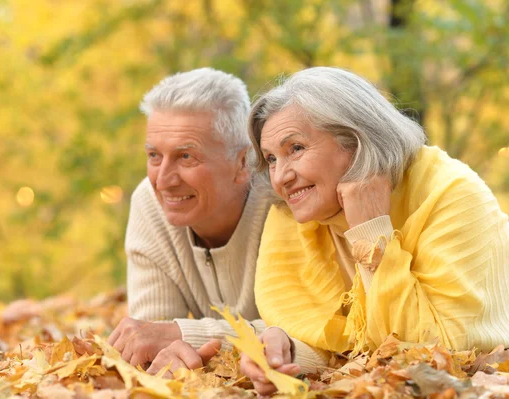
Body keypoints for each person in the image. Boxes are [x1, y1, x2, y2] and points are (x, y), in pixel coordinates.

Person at [239, 67, 509, 395]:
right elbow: (340, 346)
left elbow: (436, 354)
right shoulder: (294, 212)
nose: (280, 177)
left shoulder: (452, 192)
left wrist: (371, 233)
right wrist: (286, 353)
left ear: (355, 141)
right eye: (271, 159)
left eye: (295, 148)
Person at [108, 68, 272, 377]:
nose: (164, 181)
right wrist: (170, 346)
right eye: (154, 155)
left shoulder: (283, 201)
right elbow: (150, 339)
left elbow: (308, 331)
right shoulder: (149, 202)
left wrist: (185, 335)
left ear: (242, 162)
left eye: (186, 157)